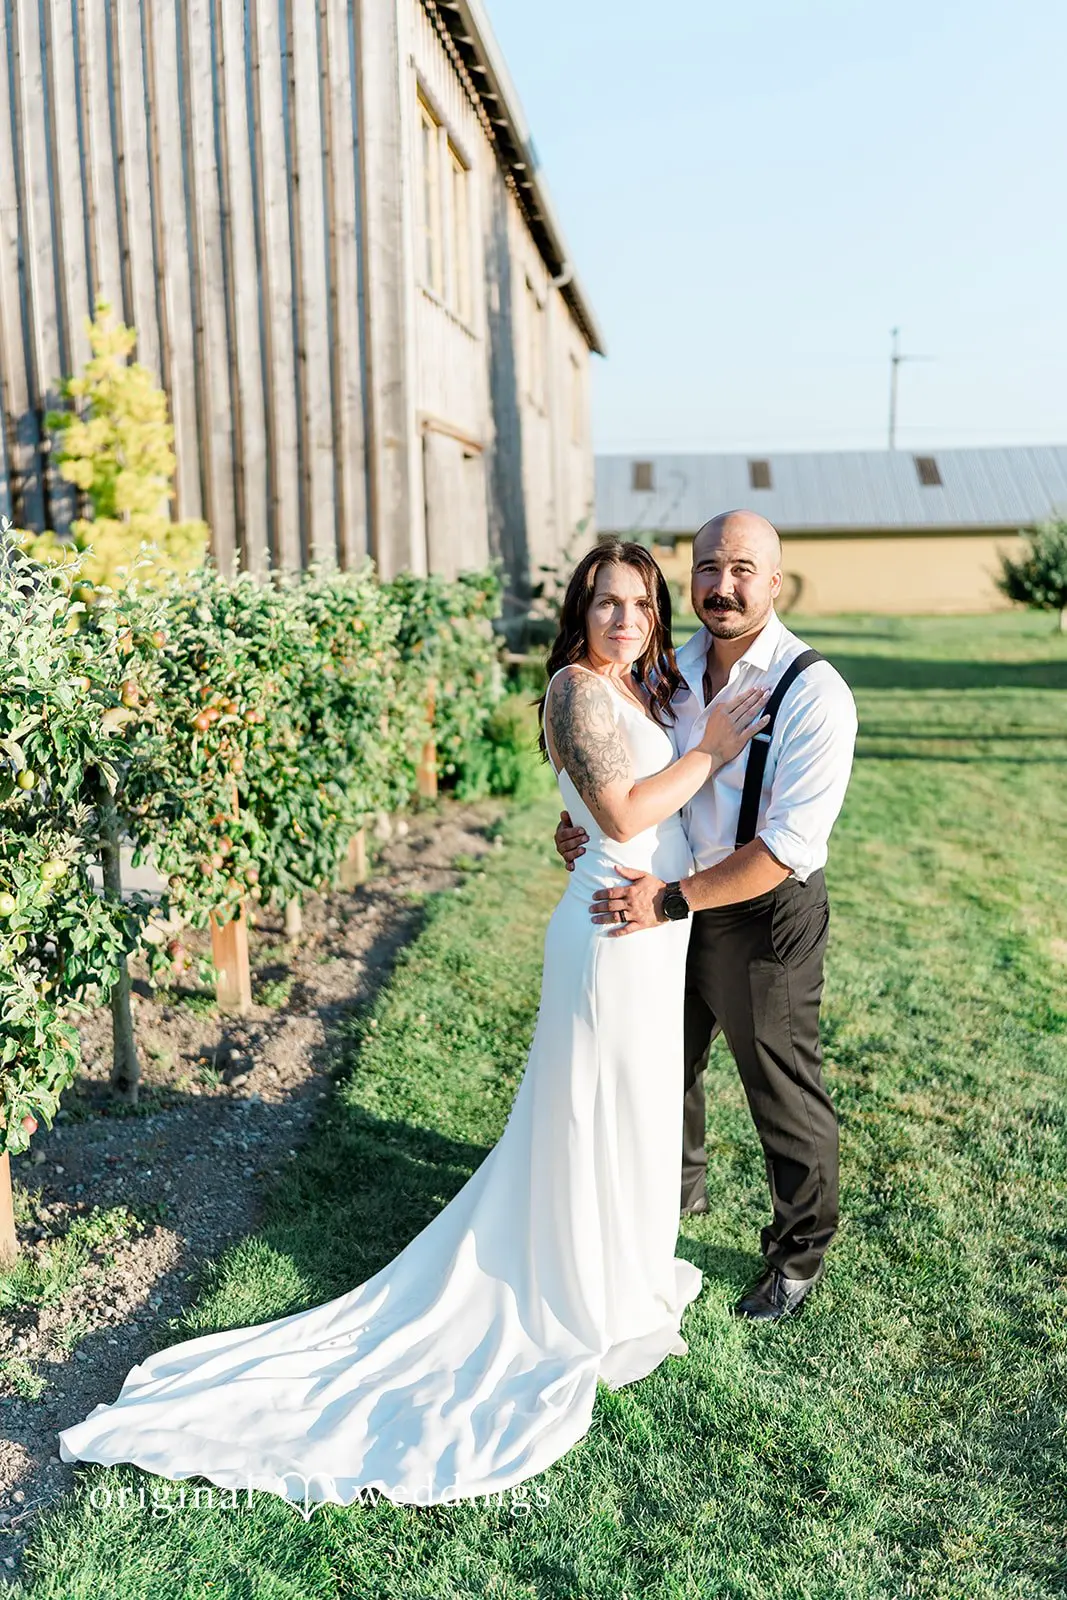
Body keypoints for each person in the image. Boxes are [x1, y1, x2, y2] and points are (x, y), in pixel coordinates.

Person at [57, 539, 769, 1514]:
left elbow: (600, 812)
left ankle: (628, 1269)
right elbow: (617, 812)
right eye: (607, 603)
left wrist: (645, 786)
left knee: (637, 1108)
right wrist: (709, 752)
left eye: (640, 605)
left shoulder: (634, 688)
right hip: (607, 936)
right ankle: (578, 1287)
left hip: (648, 934)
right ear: (579, 610)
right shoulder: (573, 689)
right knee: (589, 1111)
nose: (624, 620)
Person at [554, 511, 858, 1323]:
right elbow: (624, 770)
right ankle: (671, 1201)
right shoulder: (670, 668)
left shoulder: (813, 690)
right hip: (670, 905)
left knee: (779, 1086)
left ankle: (796, 1257)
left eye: (743, 570)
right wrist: (582, 819)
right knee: (664, 1062)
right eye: (709, 569)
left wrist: (668, 898)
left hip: (761, 912)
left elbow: (787, 845)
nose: (723, 587)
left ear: (775, 582)